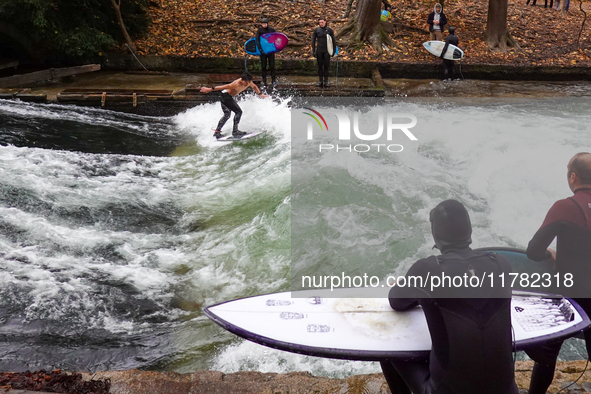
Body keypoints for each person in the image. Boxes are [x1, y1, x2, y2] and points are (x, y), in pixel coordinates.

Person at [381, 199, 519, 394]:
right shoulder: (501, 264)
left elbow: (396, 302)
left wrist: (414, 289)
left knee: (386, 345)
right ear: (469, 231)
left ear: (436, 235)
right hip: (506, 390)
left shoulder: (428, 269)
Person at [525, 152, 591, 394]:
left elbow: (533, 251)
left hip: (568, 295)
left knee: (546, 356)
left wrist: (551, 256)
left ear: (573, 177)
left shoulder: (564, 207)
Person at [200, 71, 267, 139]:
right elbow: (221, 87)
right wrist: (209, 89)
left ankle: (217, 132)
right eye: (245, 82)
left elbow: (254, 86)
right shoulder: (235, 84)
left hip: (226, 96)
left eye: (248, 82)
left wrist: (260, 94)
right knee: (238, 112)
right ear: (241, 80)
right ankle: (235, 131)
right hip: (225, 96)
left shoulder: (249, 82)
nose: (247, 84)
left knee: (227, 115)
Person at [311, 17, 336, 88]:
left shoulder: (329, 30)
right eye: (319, 22)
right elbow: (313, 41)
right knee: (319, 66)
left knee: (326, 66)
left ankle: (326, 81)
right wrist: (313, 51)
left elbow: (333, 41)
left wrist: (334, 51)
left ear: (325, 22)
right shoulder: (317, 30)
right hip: (319, 51)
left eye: (322, 22)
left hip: (327, 51)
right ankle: (320, 81)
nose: (321, 24)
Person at [256, 17, 277, 88]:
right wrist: (260, 50)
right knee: (263, 66)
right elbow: (257, 41)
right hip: (263, 52)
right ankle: (264, 81)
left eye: (265, 24)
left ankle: (273, 80)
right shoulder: (260, 31)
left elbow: (275, 39)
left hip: (270, 51)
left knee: (272, 66)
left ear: (267, 24)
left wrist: (274, 49)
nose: (264, 25)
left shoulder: (271, 30)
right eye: (263, 24)